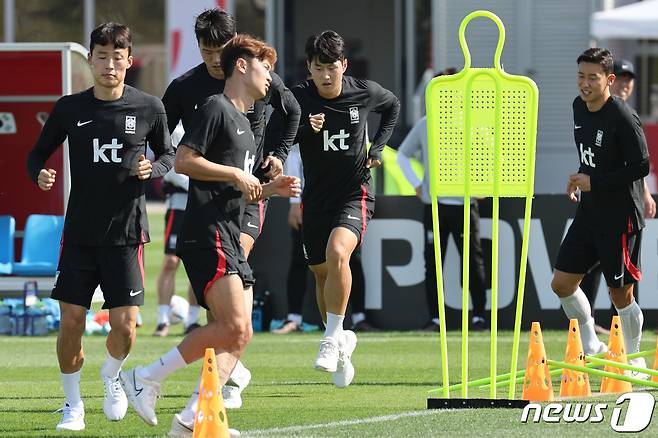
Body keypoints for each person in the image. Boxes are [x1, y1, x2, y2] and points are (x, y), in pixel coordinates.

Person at [120, 34, 300, 432]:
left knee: (241, 333)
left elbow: (237, 185)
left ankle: (190, 420)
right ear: (241, 66)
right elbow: (184, 160)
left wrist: (270, 188)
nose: (270, 76)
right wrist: (237, 173)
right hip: (208, 230)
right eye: (264, 66)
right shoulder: (216, 107)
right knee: (232, 326)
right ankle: (144, 377)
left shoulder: (249, 126)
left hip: (230, 232)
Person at [26, 22, 175, 431]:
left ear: (130, 60)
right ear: (90, 59)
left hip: (126, 235)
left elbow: (168, 154)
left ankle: (111, 375)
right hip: (79, 235)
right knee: (71, 320)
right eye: (102, 56)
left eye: (117, 57)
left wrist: (155, 167)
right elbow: (36, 154)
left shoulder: (149, 107)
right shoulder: (69, 108)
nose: (110, 64)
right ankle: (72, 406)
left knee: (125, 327)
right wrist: (39, 173)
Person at [290, 30, 399, 387]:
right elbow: (278, 134)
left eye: (331, 68)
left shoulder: (363, 91)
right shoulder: (299, 99)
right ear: (309, 67)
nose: (325, 75)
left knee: (339, 254)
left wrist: (377, 148)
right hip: (316, 198)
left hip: (354, 193)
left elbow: (393, 107)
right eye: (318, 68)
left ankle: (328, 338)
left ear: (344, 66)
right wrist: (305, 128)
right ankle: (340, 343)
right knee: (322, 274)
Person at [551, 48, 649, 373]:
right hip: (589, 213)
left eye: (592, 77)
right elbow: (592, 156)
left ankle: (633, 360)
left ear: (608, 80)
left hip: (619, 218)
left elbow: (642, 166)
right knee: (562, 284)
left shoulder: (622, 116)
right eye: (581, 75)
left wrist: (595, 182)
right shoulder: (578, 106)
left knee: (621, 296)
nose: (585, 83)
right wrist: (579, 178)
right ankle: (592, 345)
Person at [397, 68, 488, 332]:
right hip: (434, 206)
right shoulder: (427, 123)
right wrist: (416, 184)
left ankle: (479, 316)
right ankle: (435, 319)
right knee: (433, 264)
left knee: (472, 263)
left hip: (465, 206)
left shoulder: (472, 123)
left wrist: (481, 184)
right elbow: (403, 155)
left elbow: (488, 156)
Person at [579, 58, 655, 336]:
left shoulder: (626, 116)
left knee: (620, 284)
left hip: (621, 210)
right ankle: (590, 333)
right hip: (595, 206)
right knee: (585, 273)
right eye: (620, 77)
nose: (624, 83)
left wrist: (645, 192)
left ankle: (623, 342)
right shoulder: (589, 108)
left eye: (628, 79)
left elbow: (637, 165)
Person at [274, 144, 379, 334]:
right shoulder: (309, 116)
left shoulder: (354, 116)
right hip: (313, 198)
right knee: (309, 262)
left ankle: (357, 318)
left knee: (347, 256)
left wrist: (377, 148)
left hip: (347, 197)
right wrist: (295, 201)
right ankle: (295, 317)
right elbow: (295, 152)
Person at [153, 125, 202, 337]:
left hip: (202, 205)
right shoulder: (176, 128)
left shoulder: (209, 119)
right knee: (171, 261)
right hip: (179, 204)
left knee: (197, 264)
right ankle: (162, 319)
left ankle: (192, 319)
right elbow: (172, 167)